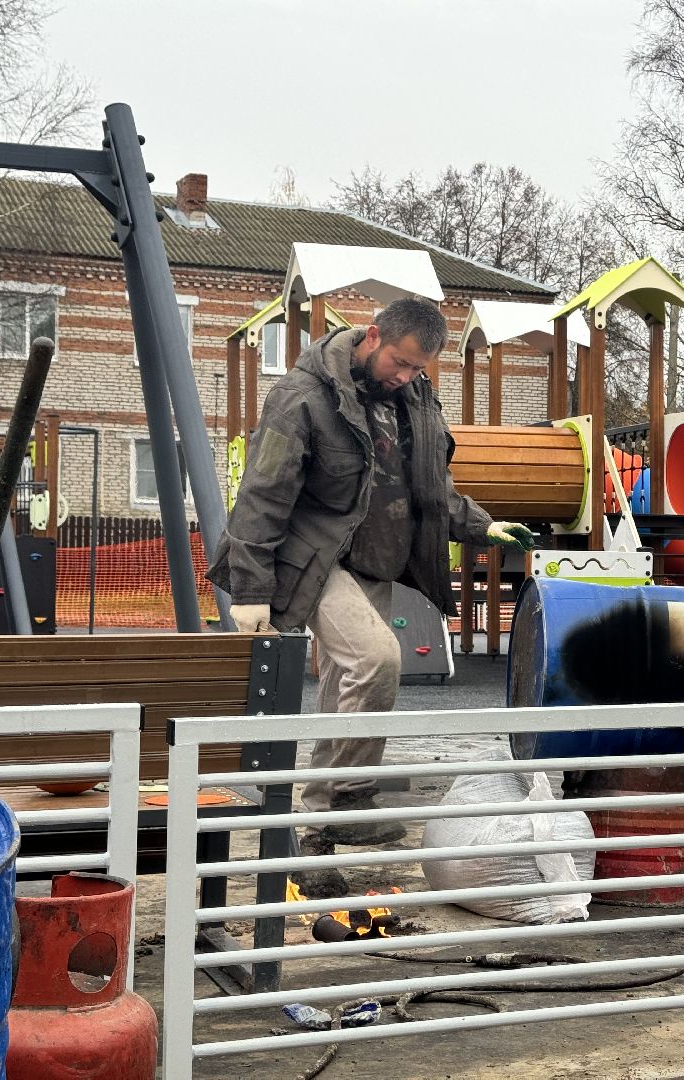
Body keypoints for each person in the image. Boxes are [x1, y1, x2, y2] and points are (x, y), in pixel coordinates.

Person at [208, 296, 534, 897]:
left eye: (418, 368)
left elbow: (430, 487)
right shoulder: (303, 396)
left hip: (375, 562)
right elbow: (262, 493)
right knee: (377, 659)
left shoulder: (415, 398)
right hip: (314, 559)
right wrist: (250, 590)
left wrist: (482, 525)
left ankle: (315, 834)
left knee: (346, 693)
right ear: (373, 335)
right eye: (399, 362)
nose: (405, 376)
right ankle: (349, 795)